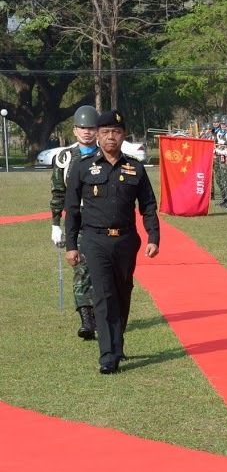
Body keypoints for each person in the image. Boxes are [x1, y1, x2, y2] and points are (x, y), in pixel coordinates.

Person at [64, 110, 160, 374]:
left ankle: (117, 346)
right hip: (94, 240)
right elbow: (72, 208)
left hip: (127, 240)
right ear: (97, 135)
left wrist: (153, 236)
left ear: (123, 135)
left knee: (122, 293)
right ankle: (108, 354)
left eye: (115, 133)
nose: (110, 137)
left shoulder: (135, 168)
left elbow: (148, 206)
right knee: (104, 295)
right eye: (105, 132)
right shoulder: (83, 167)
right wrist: (71, 244)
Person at [50, 105, 100, 340]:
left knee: (101, 270)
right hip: (77, 221)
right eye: (82, 128)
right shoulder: (64, 157)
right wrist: (55, 225)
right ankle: (87, 320)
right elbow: (58, 192)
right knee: (81, 269)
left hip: (101, 220)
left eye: (91, 128)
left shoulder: (107, 154)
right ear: (74, 130)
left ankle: (101, 315)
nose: (87, 132)